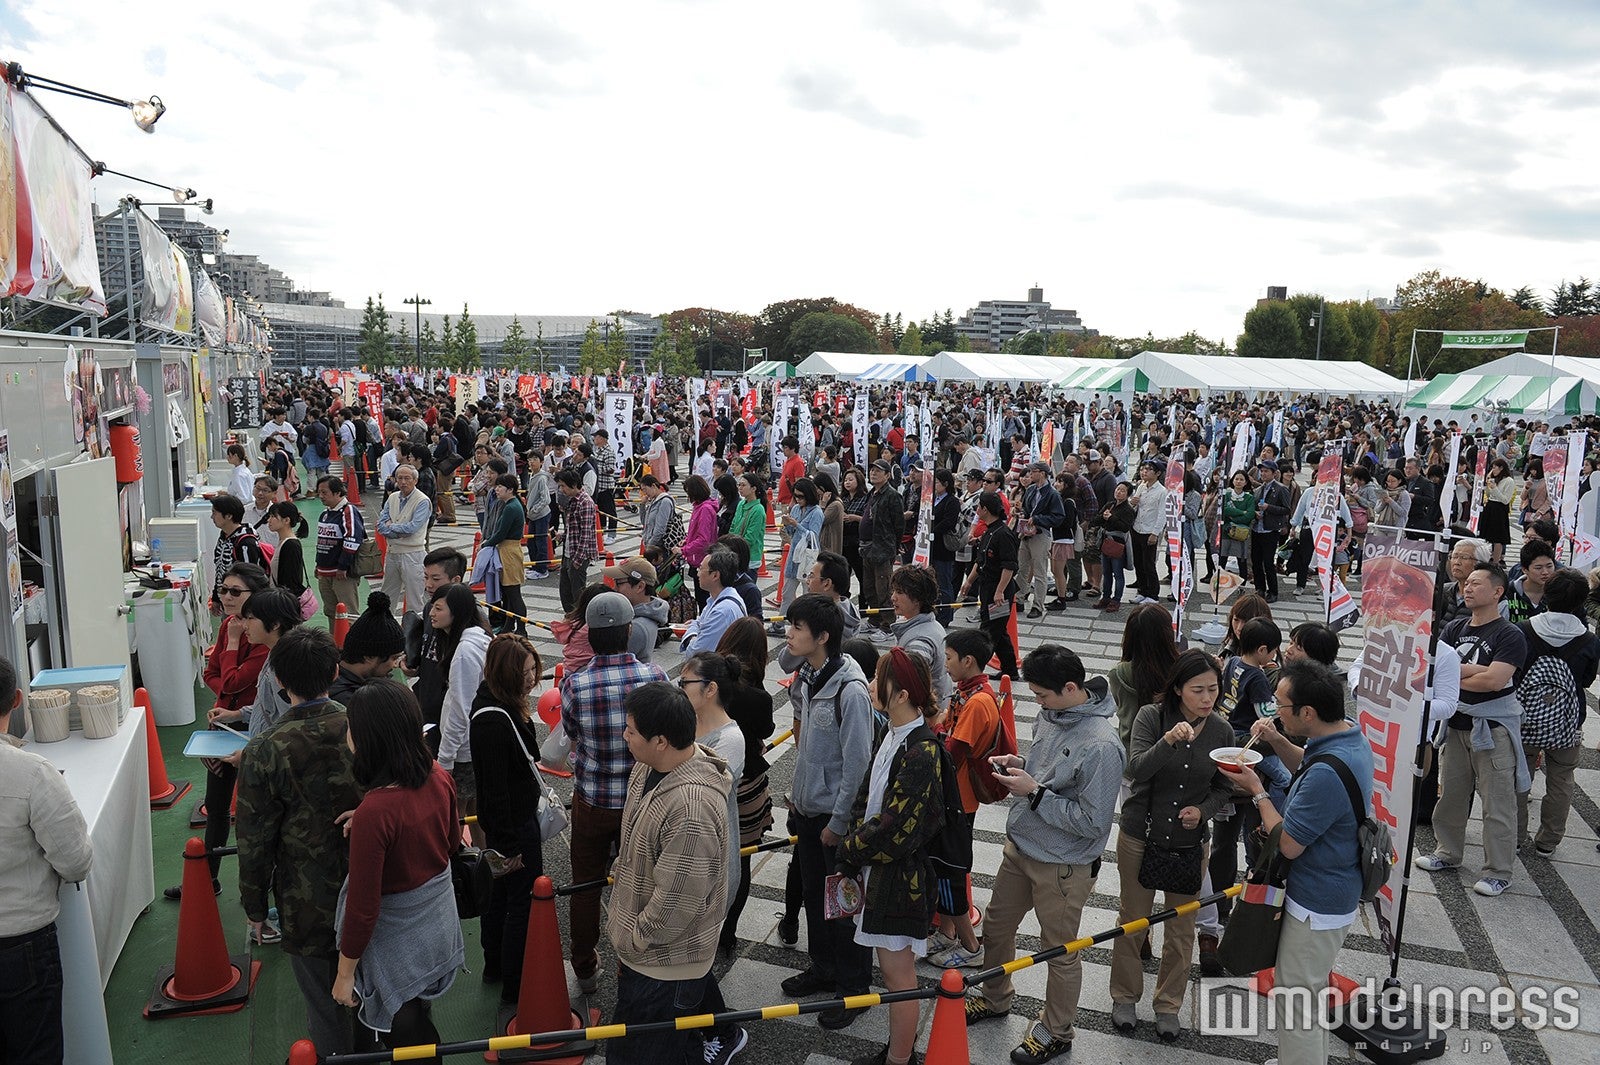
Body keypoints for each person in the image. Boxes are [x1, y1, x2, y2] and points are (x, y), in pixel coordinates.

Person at [965, 645, 1123, 1065]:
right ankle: (995, 998)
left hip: (1063, 866)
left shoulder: (1102, 745)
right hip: (1021, 848)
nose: (1037, 703)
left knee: (1059, 951)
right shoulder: (1055, 714)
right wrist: (1020, 765)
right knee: (997, 929)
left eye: (1041, 695)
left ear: (1071, 688)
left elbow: (1093, 823)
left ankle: (1057, 1031)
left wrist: (1033, 792)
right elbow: (1047, 770)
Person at [1236, 660, 1374, 1065]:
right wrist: (1277, 739)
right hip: (1331, 887)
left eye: (1279, 705)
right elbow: (1309, 764)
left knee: (1299, 999)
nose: (1273, 710)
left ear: (1307, 713)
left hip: (1317, 900)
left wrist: (1258, 791)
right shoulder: (1347, 733)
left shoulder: (1328, 774)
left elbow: (1290, 845)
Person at [236, 627, 365, 1055]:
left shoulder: (265, 748)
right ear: (333, 671)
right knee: (370, 991)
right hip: (371, 885)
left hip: (303, 897)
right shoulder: (363, 725)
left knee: (324, 1005)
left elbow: (254, 837)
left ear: (277, 680)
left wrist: (255, 906)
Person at [332, 681, 463, 1060]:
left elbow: (362, 907)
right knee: (417, 1016)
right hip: (437, 926)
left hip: (397, 941)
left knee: (404, 1031)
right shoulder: (438, 774)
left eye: (352, 725)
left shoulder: (376, 812)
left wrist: (344, 975)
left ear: (369, 736)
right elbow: (452, 842)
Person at [605, 682, 734, 1065]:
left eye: (630, 730)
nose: (624, 735)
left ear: (661, 740)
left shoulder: (691, 809)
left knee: (643, 1054)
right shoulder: (647, 768)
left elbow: (676, 905)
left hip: (664, 963)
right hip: (650, 958)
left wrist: (634, 938)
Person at [1109, 649, 1233, 1042]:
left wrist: (1203, 810)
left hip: (1189, 842)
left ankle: (1168, 1005)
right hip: (1140, 835)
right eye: (1197, 690)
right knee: (1133, 921)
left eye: (1213, 689)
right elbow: (1135, 769)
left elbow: (1224, 786)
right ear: (1178, 689)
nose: (1207, 698)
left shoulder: (1221, 731)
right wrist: (1167, 741)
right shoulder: (1152, 716)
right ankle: (1125, 996)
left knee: (1181, 930)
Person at [835, 648, 948, 1065]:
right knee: (894, 975)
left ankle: (899, 1060)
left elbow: (896, 829)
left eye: (877, 678)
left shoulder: (922, 751)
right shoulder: (894, 733)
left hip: (900, 882)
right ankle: (897, 1053)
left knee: (899, 979)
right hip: (879, 873)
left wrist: (848, 848)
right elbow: (870, 800)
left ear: (900, 694)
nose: (868, 686)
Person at [561, 591, 668, 995]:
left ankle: (585, 966)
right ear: (628, 631)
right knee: (640, 884)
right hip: (643, 805)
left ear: (590, 634)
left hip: (592, 800)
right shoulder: (653, 677)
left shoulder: (576, 683)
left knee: (585, 884)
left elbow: (571, 735)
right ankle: (633, 964)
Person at [781, 593, 875, 1029]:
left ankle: (854, 989)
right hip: (807, 809)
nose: (788, 633)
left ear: (822, 637)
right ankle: (823, 969)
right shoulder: (810, 673)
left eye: (797, 628)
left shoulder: (851, 690)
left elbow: (856, 763)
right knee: (816, 897)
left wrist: (839, 822)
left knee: (842, 906)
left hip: (833, 819)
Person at [0, 653, 92, 1065]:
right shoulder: (31, 773)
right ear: (17, 700)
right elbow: (75, 862)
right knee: (34, 1052)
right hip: (18, 945)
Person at [1414, 563, 1528, 897]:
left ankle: (1498, 870)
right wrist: (1472, 671)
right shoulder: (1454, 629)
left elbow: (1495, 681)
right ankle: (1447, 851)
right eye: (1467, 583)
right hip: (1456, 724)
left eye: (1477, 583)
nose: (1468, 587)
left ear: (1497, 592)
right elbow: (1435, 675)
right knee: (1450, 795)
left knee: (1498, 803)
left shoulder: (1510, 634)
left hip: (1493, 728)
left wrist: (1459, 674)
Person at [169, 562, 271, 902]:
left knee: (259, 809)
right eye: (223, 590)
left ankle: (263, 890)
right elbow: (214, 676)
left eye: (234, 591)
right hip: (226, 722)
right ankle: (207, 878)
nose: (226, 597)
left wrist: (230, 647)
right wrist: (227, 690)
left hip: (254, 728)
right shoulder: (230, 624)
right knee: (216, 805)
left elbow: (228, 680)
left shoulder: (256, 636)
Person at [470, 634, 548, 1010]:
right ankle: (514, 985)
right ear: (506, 673)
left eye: (534, 669)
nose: (532, 678)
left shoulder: (491, 702)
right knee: (520, 903)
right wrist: (510, 847)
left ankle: (495, 968)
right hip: (513, 827)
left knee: (498, 898)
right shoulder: (495, 719)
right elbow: (497, 788)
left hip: (503, 825)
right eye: (525, 671)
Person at [925, 627, 998, 969]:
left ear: (968, 661)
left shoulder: (979, 701)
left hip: (959, 800)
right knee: (942, 867)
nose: (946, 665)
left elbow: (953, 752)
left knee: (951, 870)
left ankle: (970, 947)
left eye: (950, 658)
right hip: (954, 796)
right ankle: (948, 934)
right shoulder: (968, 692)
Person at [1513, 568, 1598, 855]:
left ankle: (1514, 834)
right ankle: (1548, 841)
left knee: (1519, 775)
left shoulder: (1525, 629)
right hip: (1568, 721)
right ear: (1580, 602)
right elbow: (1585, 680)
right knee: (1561, 779)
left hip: (1525, 717)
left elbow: (1515, 672)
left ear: (1547, 595)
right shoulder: (1589, 640)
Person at [712, 617, 777, 956]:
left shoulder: (708, 686)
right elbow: (765, 732)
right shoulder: (758, 698)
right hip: (748, 786)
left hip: (707, 784)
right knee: (743, 859)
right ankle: (729, 932)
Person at [429, 583, 493, 839]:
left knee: (454, 817)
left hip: (463, 751)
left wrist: (444, 759)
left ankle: (460, 867)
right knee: (476, 814)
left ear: (456, 612)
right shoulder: (481, 638)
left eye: (438, 608)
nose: (431, 613)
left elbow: (460, 710)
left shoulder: (464, 653)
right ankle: (486, 864)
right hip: (477, 742)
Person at [960, 491, 1020, 678]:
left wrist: (1000, 591)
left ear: (985, 509)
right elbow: (981, 561)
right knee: (999, 632)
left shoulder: (1003, 534)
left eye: (979, 507)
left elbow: (1009, 566)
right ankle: (1010, 671)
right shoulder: (988, 531)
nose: (977, 510)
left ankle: (973, 670)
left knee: (988, 632)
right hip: (987, 588)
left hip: (999, 592)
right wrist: (969, 581)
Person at [1106, 602, 1179, 753]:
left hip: (1130, 750)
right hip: (1171, 749)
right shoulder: (1181, 668)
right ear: (1167, 634)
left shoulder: (1118, 673)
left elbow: (1118, 704)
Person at [889, 563, 952, 711]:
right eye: (893, 591)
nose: (893, 597)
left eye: (899, 592)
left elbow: (910, 683)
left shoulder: (920, 641)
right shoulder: (930, 624)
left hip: (923, 715)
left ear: (917, 599)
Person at [328, 593, 405, 705]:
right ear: (369, 657)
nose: (395, 665)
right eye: (394, 658)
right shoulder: (355, 702)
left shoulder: (329, 680)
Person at [377, 465, 432, 616]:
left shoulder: (422, 501)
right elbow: (380, 525)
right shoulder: (393, 497)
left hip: (413, 554)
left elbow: (412, 528)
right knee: (387, 595)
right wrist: (398, 531)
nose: (403, 482)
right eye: (399, 478)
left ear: (415, 480)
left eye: (407, 478)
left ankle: (415, 633)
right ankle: (385, 628)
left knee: (415, 598)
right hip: (392, 552)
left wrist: (392, 527)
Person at [1015, 461, 1066, 619]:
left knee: (1039, 571)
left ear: (1042, 473)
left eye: (1034, 471)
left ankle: (1038, 604)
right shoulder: (1030, 489)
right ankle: (1019, 597)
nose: (1030, 474)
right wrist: (1021, 512)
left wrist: (1038, 519)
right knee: (1022, 568)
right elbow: (1026, 508)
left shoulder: (1052, 494)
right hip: (1026, 532)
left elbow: (1058, 517)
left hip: (1041, 534)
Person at [860, 460, 906, 634]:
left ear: (887, 475)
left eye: (878, 471)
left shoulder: (892, 495)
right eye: (872, 470)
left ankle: (888, 625)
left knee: (883, 589)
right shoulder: (873, 492)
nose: (873, 473)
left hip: (882, 548)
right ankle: (874, 618)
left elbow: (898, 524)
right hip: (867, 548)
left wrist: (893, 547)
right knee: (869, 588)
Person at [314, 476, 366, 625]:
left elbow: (352, 539)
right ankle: (335, 645)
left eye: (325, 492)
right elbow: (321, 542)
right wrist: (319, 565)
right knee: (331, 612)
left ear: (338, 493)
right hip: (325, 573)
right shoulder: (325, 514)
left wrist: (343, 566)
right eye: (319, 492)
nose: (321, 496)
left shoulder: (348, 510)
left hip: (342, 575)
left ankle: (350, 646)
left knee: (348, 613)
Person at [481, 475, 528, 633]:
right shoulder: (511, 504)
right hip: (507, 549)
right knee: (508, 593)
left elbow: (501, 533)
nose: (497, 489)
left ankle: (521, 628)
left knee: (514, 593)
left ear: (510, 489)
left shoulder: (511, 507)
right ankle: (509, 625)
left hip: (509, 551)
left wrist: (486, 544)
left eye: (500, 486)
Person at [602, 556, 668, 663]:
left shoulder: (636, 627)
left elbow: (611, 662)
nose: (614, 588)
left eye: (619, 583)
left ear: (640, 587)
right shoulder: (642, 614)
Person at [681, 547, 744, 656]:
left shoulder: (723, 611)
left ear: (715, 575)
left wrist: (690, 635)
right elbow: (698, 622)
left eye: (700, 568)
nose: (698, 573)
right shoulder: (717, 599)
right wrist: (695, 628)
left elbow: (696, 652)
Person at [209, 493, 266, 611]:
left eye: (215, 513)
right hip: (228, 599)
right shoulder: (224, 537)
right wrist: (216, 597)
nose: (211, 517)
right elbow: (220, 568)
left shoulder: (246, 543)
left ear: (228, 516)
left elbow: (250, 576)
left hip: (241, 604)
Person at [555, 467, 599, 613]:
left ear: (574, 485)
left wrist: (578, 560)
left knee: (578, 594)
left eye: (563, 486)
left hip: (578, 555)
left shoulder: (585, 502)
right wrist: (562, 535)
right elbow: (573, 527)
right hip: (568, 552)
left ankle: (580, 621)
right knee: (565, 592)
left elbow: (585, 533)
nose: (561, 490)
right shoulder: (573, 500)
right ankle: (570, 619)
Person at [1250, 459, 1291, 603]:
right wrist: (1255, 513)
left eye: (1266, 471)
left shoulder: (1281, 489)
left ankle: (1273, 591)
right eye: (1261, 471)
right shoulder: (1258, 489)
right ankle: (1259, 588)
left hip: (1270, 530)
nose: (1263, 473)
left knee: (1268, 562)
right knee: (1256, 561)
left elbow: (1287, 509)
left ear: (1274, 473)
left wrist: (1269, 508)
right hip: (1257, 529)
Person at [1130, 460, 1168, 604]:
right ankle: (1142, 590)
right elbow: (1134, 507)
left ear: (1157, 473)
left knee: (1149, 564)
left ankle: (1153, 595)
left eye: (1149, 469)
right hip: (1137, 529)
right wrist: (1132, 503)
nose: (1144, 472)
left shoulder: (1162, 491)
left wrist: (1155, 533)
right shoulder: (1141, 487)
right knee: (1138, 563)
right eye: (1143, 469)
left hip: (1149, 531)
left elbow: (1162, 514)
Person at [266, 501, 312, 610]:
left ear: (286, 520)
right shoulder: (284, 542)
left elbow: (290, 581)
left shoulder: (290, 545)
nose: (269, 520)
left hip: (284, 605)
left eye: (273, 516)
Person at [1505, 539, 1555, 623]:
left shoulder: (1560, 593)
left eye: (1549, 566)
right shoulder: (1507, 593)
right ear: (1524, 569)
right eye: (1538, 568)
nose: (1545, 572)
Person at [730, 473, 768, 576]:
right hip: (736, 555)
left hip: (750, 558)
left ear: (753, 488)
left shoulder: (758, 510)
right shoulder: (741, 504)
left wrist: (733, 546)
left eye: (743, 485)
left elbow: (750, 538)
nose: (740, 488)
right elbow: (733, 526)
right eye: (739, 485)